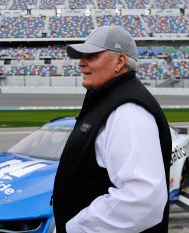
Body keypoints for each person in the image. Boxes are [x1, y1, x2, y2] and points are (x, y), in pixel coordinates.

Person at [53, 25, 172, 233]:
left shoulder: (128, 111)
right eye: (81, 56)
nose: (81, 63)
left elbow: (142, 198)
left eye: (91, 55)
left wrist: (74, 228)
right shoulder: (109, 99)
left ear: (119, 61)